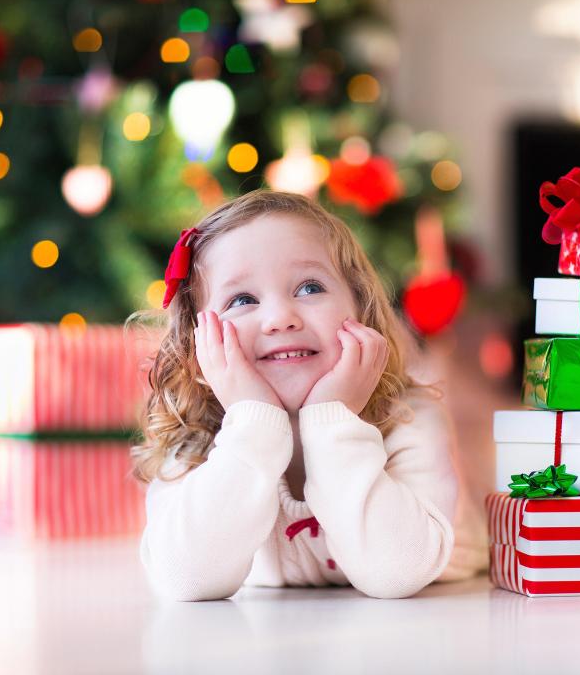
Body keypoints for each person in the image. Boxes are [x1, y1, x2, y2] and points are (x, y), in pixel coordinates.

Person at [132, 190, 476, 601]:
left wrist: (333, 418)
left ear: (362, 309)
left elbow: (396, 574)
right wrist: (252, 420)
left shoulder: (410, 417)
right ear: (197, 342)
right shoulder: (194, 436)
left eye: (310, 288)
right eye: (242, 300)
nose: (280, 319)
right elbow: (186, 580)